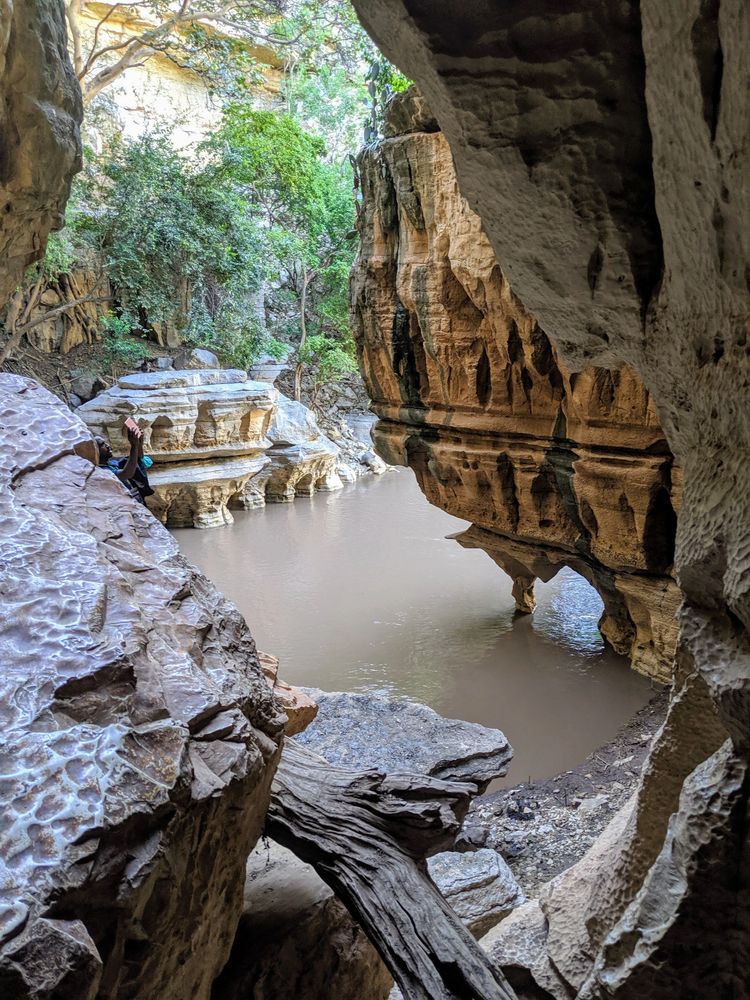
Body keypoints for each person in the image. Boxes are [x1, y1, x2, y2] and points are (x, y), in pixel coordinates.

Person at [95, 422, 154, 505]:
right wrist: (134, 445)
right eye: (102, 445)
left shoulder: (112, 463)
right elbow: (126, 473)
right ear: (95, 451)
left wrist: (139, 443)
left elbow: (138, 460)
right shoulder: (102, 471)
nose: (107, 445)